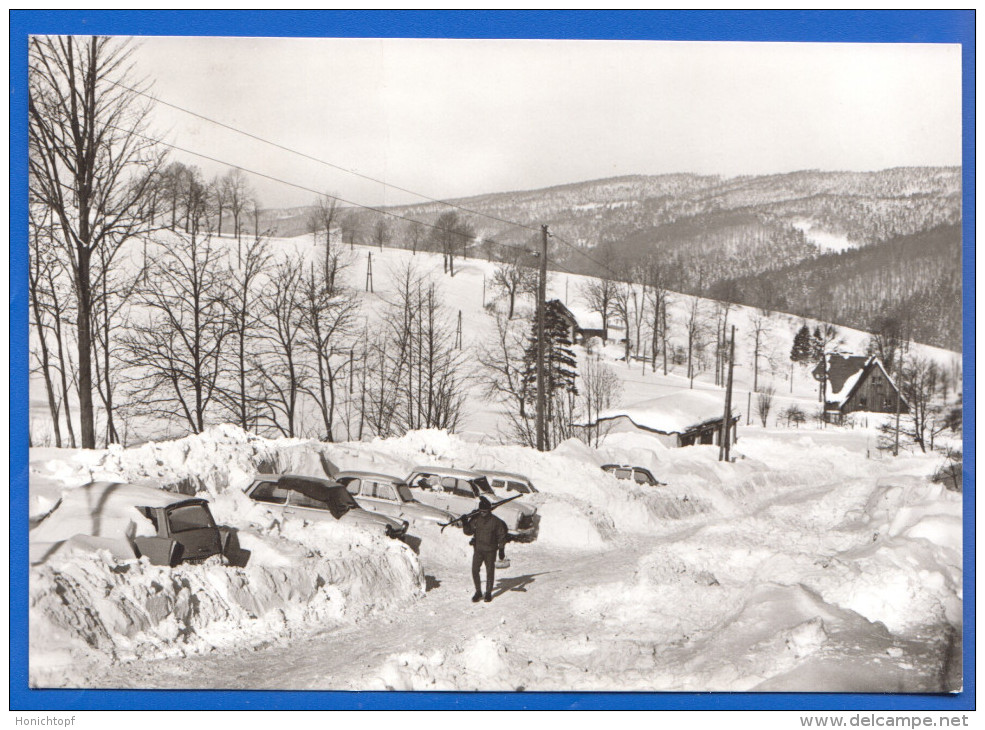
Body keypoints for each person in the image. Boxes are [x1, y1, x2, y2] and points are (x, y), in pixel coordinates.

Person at [462, 496, 508, 603]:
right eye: (481, 511)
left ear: (489, 510)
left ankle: (488, 592)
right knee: (474, 570)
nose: (482, 513)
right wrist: (465, 523)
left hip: (491, 551)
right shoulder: (476, 519)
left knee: (490, 572)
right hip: (478, 550)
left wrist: (501, 549)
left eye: (485, 511)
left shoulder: (496, 522)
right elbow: (468, 531)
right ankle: (478, 591)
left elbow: (501, 536)